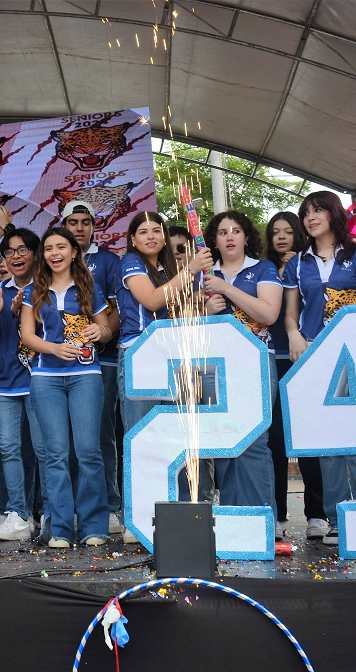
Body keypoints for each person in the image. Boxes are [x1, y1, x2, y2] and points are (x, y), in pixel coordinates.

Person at [283, 191, 356, 545]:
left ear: (334, 214)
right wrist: (293, 334)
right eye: (306, 212)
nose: (311, 217)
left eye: (318, 210)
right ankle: (338, 517)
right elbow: (291, 312)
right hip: (314, 357)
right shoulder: (298, 263)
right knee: (328, 439)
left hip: (355, 356)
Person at [19, 227, 113, 548]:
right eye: (48, 248)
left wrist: (100, 333)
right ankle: (59, 527)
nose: (54, 253)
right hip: (45, 379)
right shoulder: (35, 290)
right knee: (55, 454)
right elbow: (28, 336)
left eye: (61, 247)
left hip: (86, 376)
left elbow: (107, 327)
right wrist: (53, 348)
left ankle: (93, 526)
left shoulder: (90, 286)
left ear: (74, 252)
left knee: (88, 451)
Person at [115, 212, 214, 510]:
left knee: (176, 438)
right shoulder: (130, 263)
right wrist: (190, 269)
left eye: (156, 230)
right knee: (142, 437)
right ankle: (140, 512)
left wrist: (200, 299)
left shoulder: (166, 269)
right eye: (143, 231)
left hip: (173, 359)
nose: (150, 236)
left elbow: (174, 312)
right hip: (139, 355)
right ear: (133, 239)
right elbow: (151, 300)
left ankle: (180, 510)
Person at [201, 211, 280, 515]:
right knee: (223, 439)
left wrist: (227, 289)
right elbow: (190, 326)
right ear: (215, 241)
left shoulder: (263, 268)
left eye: (236, 230)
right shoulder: (204, 275)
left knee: (254, 440)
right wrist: (206, 309)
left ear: (247, 237)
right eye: (223, 232)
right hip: (214, 367)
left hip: (256, 362)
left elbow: (269, 314)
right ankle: (234, 519)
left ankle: (263, 518)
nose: (230, 236)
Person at [263, 212, 328, 540]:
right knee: (275, 439)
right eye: (276, 232)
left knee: (309, 436)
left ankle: (318, 513)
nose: (282, 237)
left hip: (304, 356)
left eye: (288, 231)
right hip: (271, 358)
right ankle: (276, 513)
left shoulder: (307, 266)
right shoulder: (260, 269)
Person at [0, 223, 46, 541]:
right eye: (9, 251)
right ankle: (19, 515)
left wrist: (26, 312)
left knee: (44, 450)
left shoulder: (47, 288)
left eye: (23, 249)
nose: (16, 256)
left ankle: (48, 512)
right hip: (5, 381)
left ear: (35, 254)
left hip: (40, 379)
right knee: (8, 449)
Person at [61, 200, 123, 534]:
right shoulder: (54, 260)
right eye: (73, 222)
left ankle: (109, 506)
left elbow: (119, 306)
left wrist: (106, 331)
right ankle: (67, 507)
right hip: (62, 364)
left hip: (104, 360)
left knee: (101, 436)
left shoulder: (108, 261)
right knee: (66, 440)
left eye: (86, 222)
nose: (80, 228)